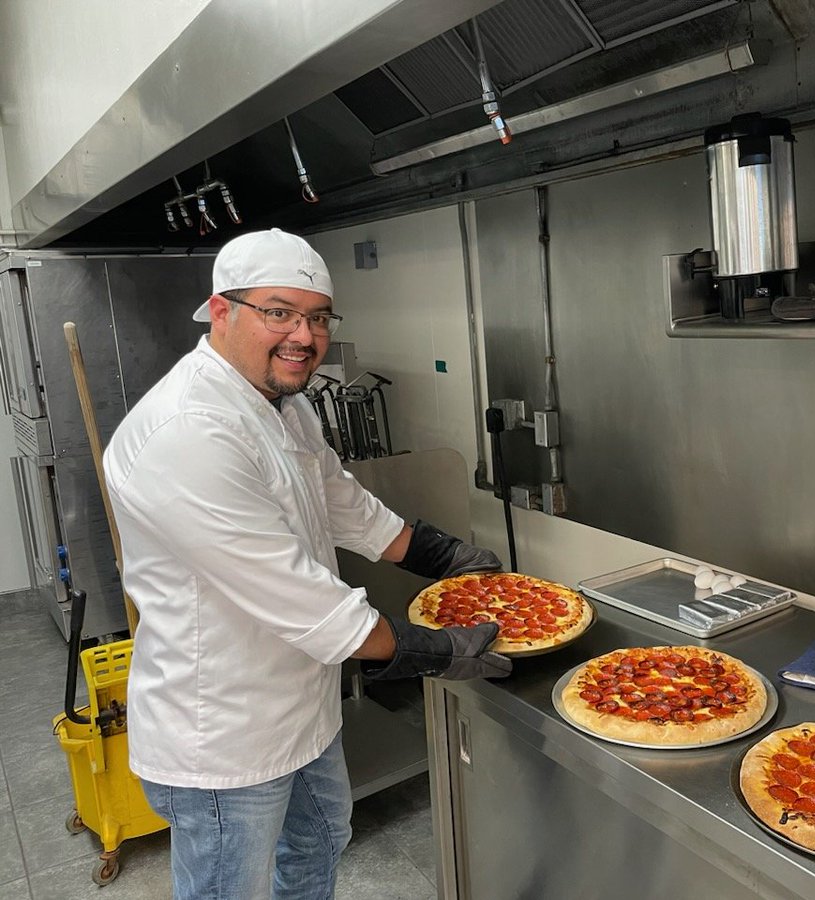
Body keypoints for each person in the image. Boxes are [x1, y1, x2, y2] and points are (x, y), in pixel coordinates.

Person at [102, 227, 510, 900]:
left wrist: (441, 555)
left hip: (301, 704)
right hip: (223, 739)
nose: (303, 335)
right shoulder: (186, 432)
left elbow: (337, 498)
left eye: (317, 317)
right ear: (222, 312)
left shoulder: (280, 403)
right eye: (279, 312)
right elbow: (298, 597)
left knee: (319, 847)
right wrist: (432, 650)